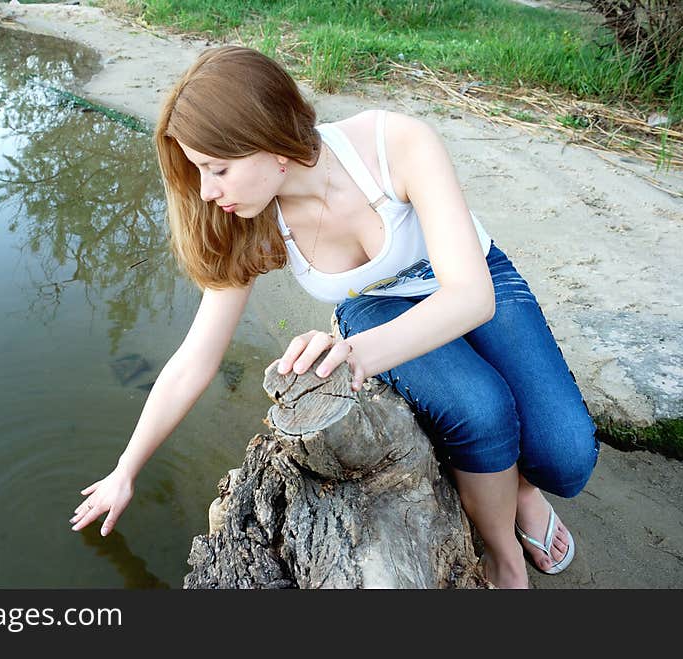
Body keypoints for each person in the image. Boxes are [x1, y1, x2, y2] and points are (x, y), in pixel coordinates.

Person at [68, 45, 599, 589]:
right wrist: (125, 470)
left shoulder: (395, 143)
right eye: (200, 171)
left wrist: (355, 355)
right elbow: (193, 360)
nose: (207, 191)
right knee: (482, 409)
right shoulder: (247, 216)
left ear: (270, 143)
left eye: (217, 169)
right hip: (374, 307)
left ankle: (523, 487)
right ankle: (503, 552)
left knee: (566, 456)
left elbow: (470, 297)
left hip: (470, 278)